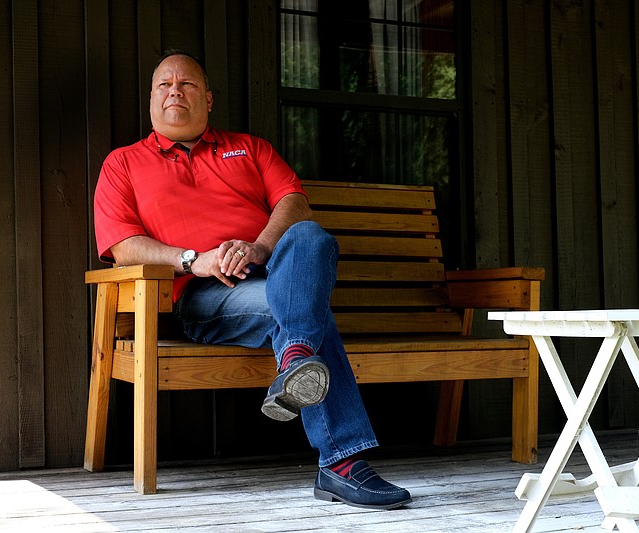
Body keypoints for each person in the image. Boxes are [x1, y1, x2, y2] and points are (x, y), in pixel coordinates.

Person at [93, 49, 411, 510]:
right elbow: (123, 244)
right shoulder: (123, 163)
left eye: (186, 84)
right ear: (151, 100)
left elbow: (295, 203)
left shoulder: (250, 147)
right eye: (164, 85)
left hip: (278, 271)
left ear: (208, 98)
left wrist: (259, 247)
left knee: (310, 236)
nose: (175, 92)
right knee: (309, 313)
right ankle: (342, 463)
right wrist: (195, 260)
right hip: (205, 295)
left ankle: (296, 360)